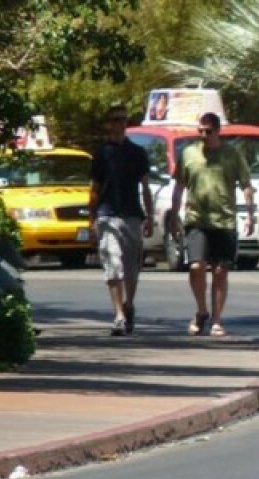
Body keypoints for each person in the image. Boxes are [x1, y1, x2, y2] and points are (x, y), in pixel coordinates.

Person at [165, 112, 254, 338]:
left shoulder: (232, 155)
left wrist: (250, 215)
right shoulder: (189, 154)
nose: (203, 135)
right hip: (196, 219)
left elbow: (245, 185)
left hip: (224, 220)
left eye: (208, 131)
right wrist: (174, 217)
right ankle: (201, 310)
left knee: (220, 271)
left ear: (218, 131)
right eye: (200, 131)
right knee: (196, 266)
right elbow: (178, 188)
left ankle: (216, 319)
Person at [88, 103, 154, 336]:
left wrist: (150, 216)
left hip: (132, 215)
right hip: (107, 214)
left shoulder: (137, 153)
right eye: (115, 119)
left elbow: (145, 187)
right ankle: (118, 315)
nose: (119, 124)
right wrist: (92, 218)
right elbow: (94, 188)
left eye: (123, 120)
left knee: (132, 268)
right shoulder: (101, 153)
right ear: (109, 124)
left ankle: (129, 305)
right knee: (113, 264)